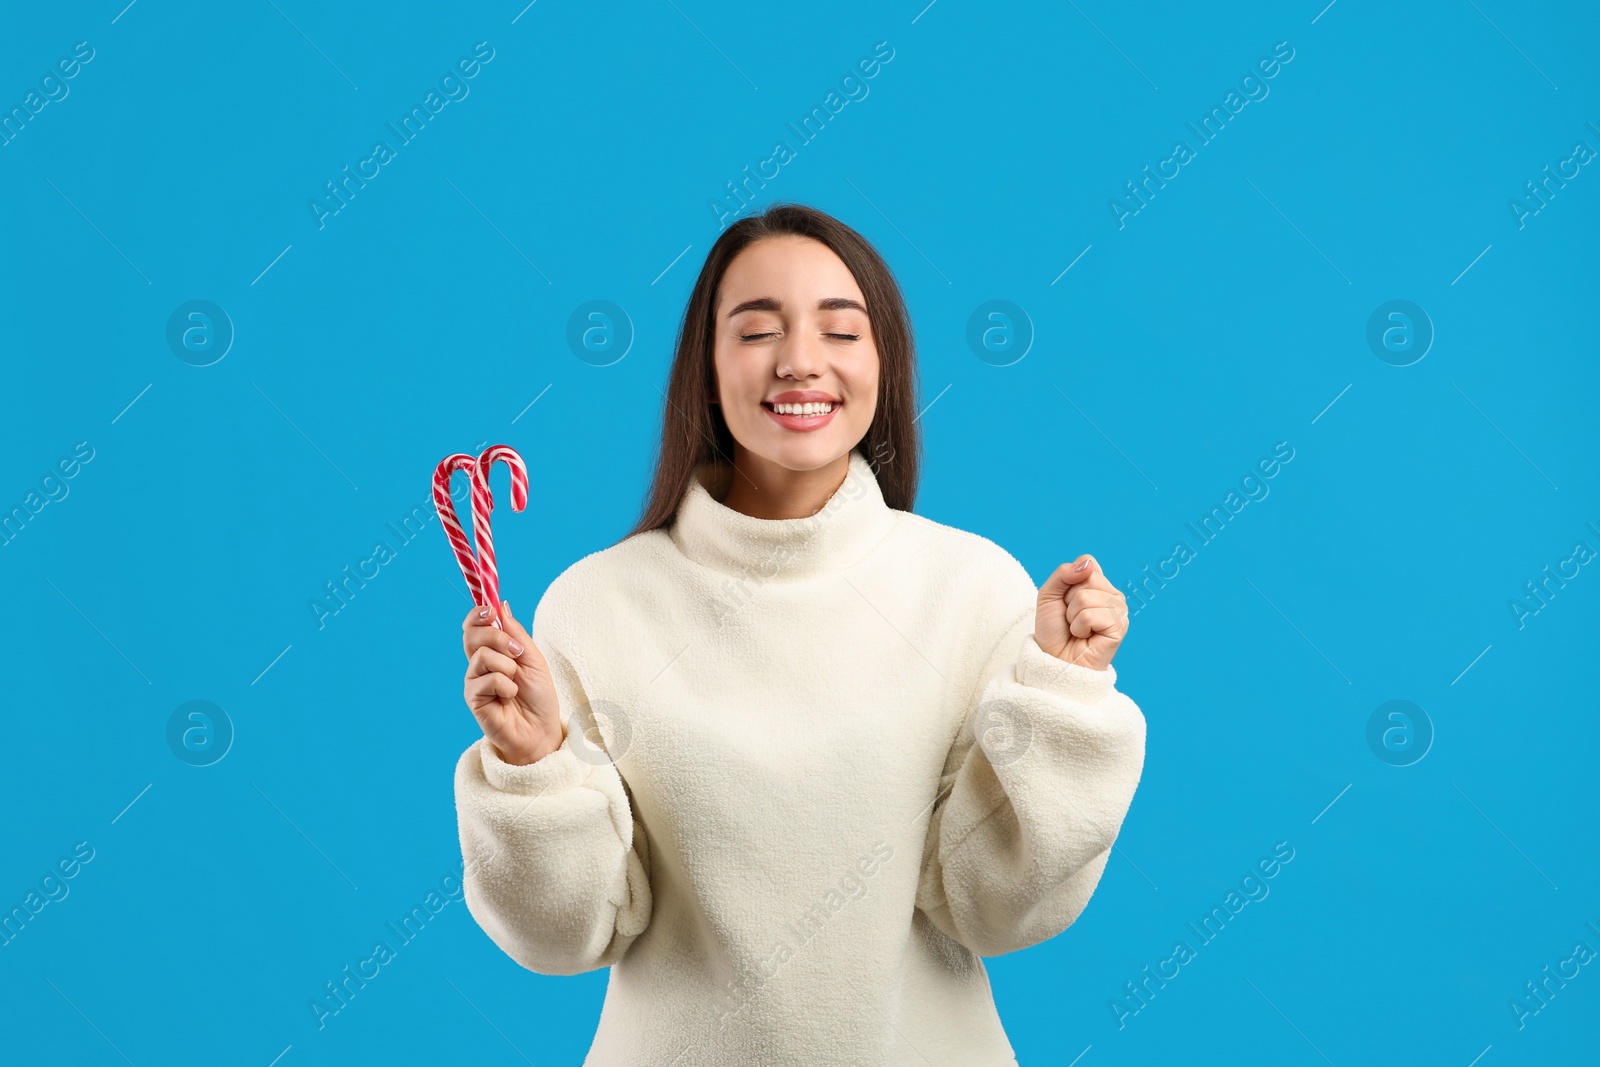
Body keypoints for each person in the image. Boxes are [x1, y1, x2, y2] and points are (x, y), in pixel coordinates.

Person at [452, 202, 1146, 1065]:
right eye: (756, 330)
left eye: (840, 330)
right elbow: (567, 937)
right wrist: (531, 765)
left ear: (884, 363)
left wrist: (1061, 695)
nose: (800, 362)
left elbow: (998, 909)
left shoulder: (972, 588)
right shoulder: (597, 602)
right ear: (705, 368)